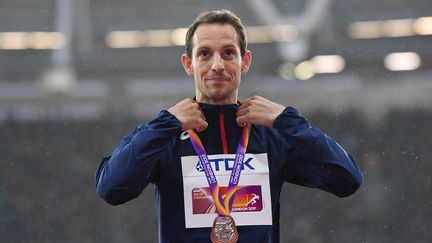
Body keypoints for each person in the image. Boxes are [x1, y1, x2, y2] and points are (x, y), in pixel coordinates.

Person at [96, 9, 363, 243]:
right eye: (204, 54)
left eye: (228, 53)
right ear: (188, 64)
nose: (217, 65)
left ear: (244, 61)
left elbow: (347, 180)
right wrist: (166, 124)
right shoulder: (165, 134)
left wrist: (287, 120)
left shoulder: (271, 135)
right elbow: (111, 188)